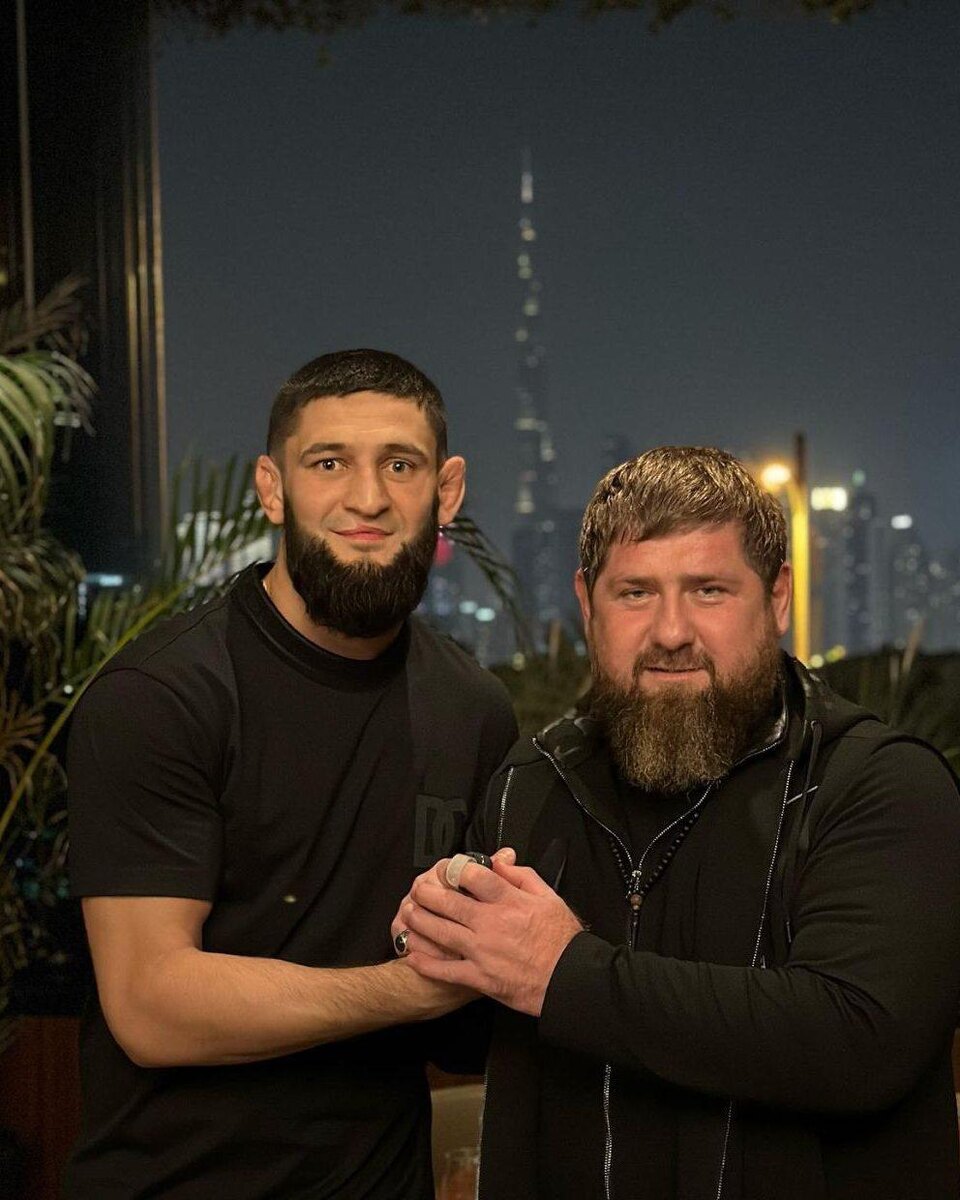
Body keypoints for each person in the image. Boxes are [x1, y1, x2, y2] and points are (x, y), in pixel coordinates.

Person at [397, 446, 960, 1200]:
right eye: (635, 592)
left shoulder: (880, 784)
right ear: (586, 603)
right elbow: (474, 1037)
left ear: (778, 597)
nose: (670, 631)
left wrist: (565, 973)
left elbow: (860, 1041)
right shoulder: (529, 783)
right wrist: (433, 936)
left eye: (709, 590)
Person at [66, 349, 517, 1199]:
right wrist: (410, 990)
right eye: (329, 463)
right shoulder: (160, 695)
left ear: (447, 490)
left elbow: (472, 1025)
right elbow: (150, 1006)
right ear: (272, 489)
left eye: (400, 465)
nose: (368, 498)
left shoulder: (474, 708)